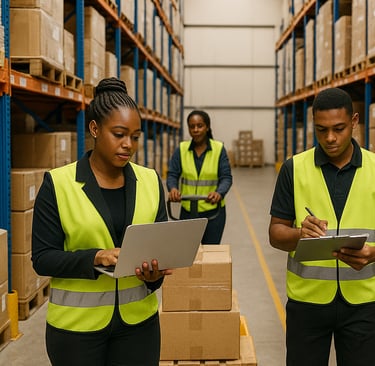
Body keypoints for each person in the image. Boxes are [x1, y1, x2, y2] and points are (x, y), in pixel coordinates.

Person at [31, 77, 172, 366]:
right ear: (95, 129)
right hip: (76, 330)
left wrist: (154, 276)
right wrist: (97, 257)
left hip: (139, 325)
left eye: (134, 136)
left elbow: (157, 248)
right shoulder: (59, 183)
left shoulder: (150, 181)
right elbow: (43, 258)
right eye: (119, 134)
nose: (128, 145)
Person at [269, 87, 375, 366]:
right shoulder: (294, 169)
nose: (330, 138)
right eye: (321, 130)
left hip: (364, 304)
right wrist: (299, 234)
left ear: (354, 121)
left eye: (339, 129)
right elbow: (276, 233)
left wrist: (373, 254)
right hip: (307, 303)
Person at [166, 110, 233, 244]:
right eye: (192, 126)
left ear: (207, 127)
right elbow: (172, 174)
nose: (195, 130)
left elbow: (226, 177)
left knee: (210, 251)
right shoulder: (182, 149)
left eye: (200, 126)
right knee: (186, 252)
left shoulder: (218, 149)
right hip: (188, 211)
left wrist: (219, 193)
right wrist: (173, 188)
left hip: (213, 212)